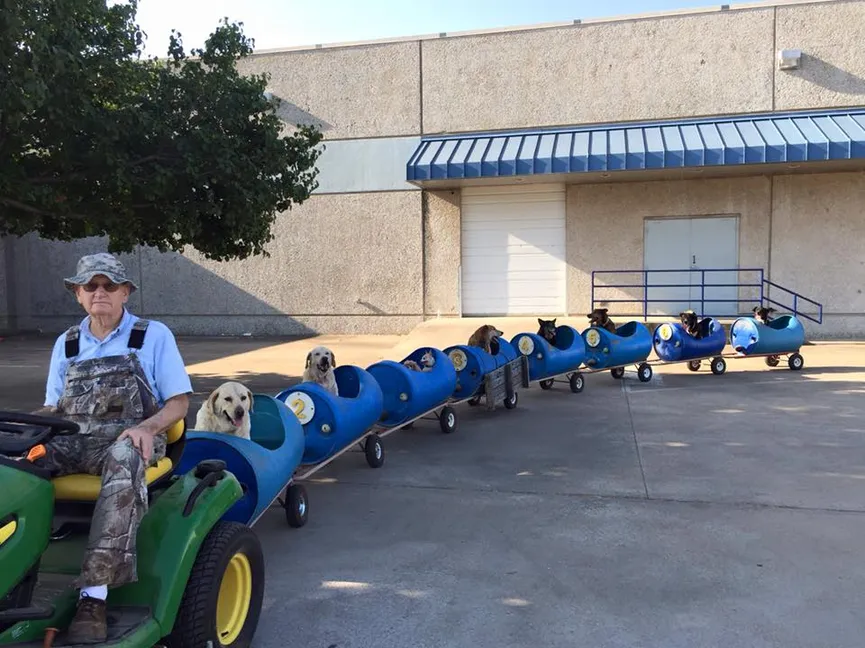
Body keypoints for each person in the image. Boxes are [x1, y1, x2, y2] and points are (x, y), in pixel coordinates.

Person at [34, 252, 193, 644]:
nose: (99, 292)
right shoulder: (66, 344)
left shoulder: (152, 335)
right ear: (78, 295)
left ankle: (94, 597)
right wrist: (27, 434)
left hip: (131, 438)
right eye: (91, 286)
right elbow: (53, 407)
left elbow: (179, 403)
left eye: (109, 286)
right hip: (75, 440)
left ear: (125, 292)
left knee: (124, 457)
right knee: (16, 463)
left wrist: (147, 428)